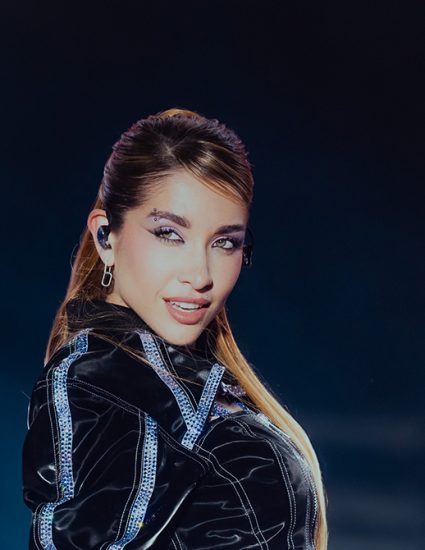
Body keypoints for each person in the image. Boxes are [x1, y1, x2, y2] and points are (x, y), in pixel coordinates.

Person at [22, 108, 328, 549]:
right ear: (106, 236)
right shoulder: (100, 383)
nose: (200, 274)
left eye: (225, 242)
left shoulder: (175, 378)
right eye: (169, 233)